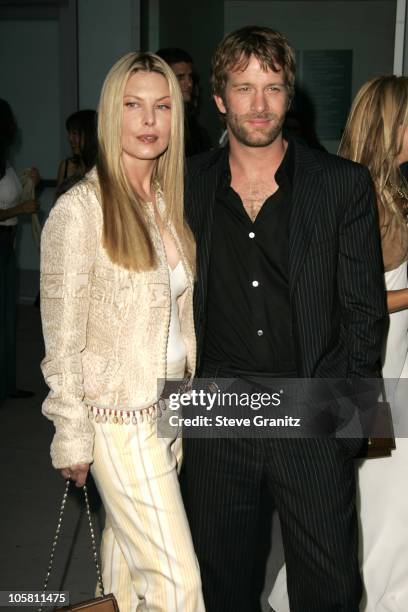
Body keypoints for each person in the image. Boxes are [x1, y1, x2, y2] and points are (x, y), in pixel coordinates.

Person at [180, 26, 386, 612]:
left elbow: (365, 313)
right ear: (219, 98)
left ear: (288, 95)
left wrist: (351, 422)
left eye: (272, 88)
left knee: (331, 588)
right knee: (221, 587)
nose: (259, 104)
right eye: (244, 88)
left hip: (314, 403)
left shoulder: (342, 184)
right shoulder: (185, 185)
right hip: (215, 408)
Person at [40, 52, 204, 612]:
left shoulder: (166, 203)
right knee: (177, 584)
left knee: (126, 575)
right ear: (112, 113)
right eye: (133, 105)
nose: (149, 120)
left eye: (162, 106)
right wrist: (70, 431)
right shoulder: (80, 211)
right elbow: (60, 337)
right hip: (119, 417)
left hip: (169, 406)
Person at [338, 75, 408, 612]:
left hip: (396, 362)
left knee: (382, 498)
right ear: (393, 125)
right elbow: (351, 301)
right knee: (380, 498)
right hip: (375, 368)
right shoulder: (362, 199)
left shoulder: (391, 191)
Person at [0, 98, 39, 402]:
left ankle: (7, 384)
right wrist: (22, 207)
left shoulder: (5, 161)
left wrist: (29, 183)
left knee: (8, 317)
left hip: (7, 243)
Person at [156, 47, 211, 156]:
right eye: (180, 77)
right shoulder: (154, 123)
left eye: (190, 77)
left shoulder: (195, 129)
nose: (189, 83)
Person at [56, 109, 97, 188]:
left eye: (75, 133)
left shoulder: (104, 169)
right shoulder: (66, 166)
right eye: (69, 133)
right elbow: (57, 199)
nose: (70, 138)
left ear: (89, 135)